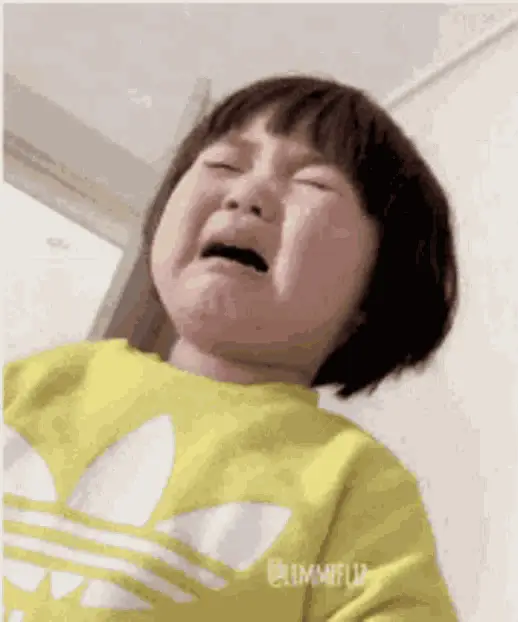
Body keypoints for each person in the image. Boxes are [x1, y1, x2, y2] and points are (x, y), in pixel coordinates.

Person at [4, 74, 460, 621]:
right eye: (223, 165)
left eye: (313, 183)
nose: (247, 194)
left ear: (378, 287)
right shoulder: (39, 384)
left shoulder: (353, 484)